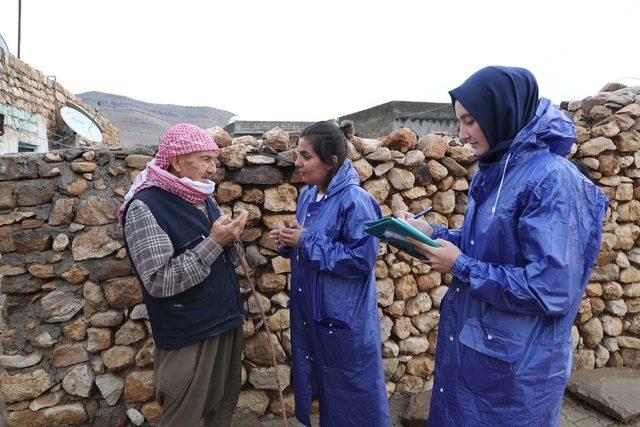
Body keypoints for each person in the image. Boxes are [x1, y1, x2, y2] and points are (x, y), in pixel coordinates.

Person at [398, 66, 609, 426]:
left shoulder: (552, 180)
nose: (461, 134)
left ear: (501, 112)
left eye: (469, 120)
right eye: (459, 121)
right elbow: (484, 245)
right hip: (478, 350)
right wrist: (430, 234)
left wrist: (460, 266)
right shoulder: (497, 169)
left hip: (517, 371)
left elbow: (550, 289)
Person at [120, 123, 248, 427]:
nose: (213, 169)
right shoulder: (145, 207)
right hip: (188, 334)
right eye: (205, 159)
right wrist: (215, 242)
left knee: (222, 409)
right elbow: (158, 281)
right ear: (177, 161)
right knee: (183, 417)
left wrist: (231, 239)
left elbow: (226, 258)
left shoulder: (203, 197)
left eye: (214, 160)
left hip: (225, 321)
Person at [270, 120, 390, 426]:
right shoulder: (309, 196)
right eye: (298, 155)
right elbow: (308, 243)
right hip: (314, 315)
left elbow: (361, 260)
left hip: (343, 319)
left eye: (306, 157)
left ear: (331, 162)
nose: (298, 163)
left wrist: (306, 240)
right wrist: (289, 242)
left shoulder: (356, 202)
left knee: (352, 399)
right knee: (324, 393)